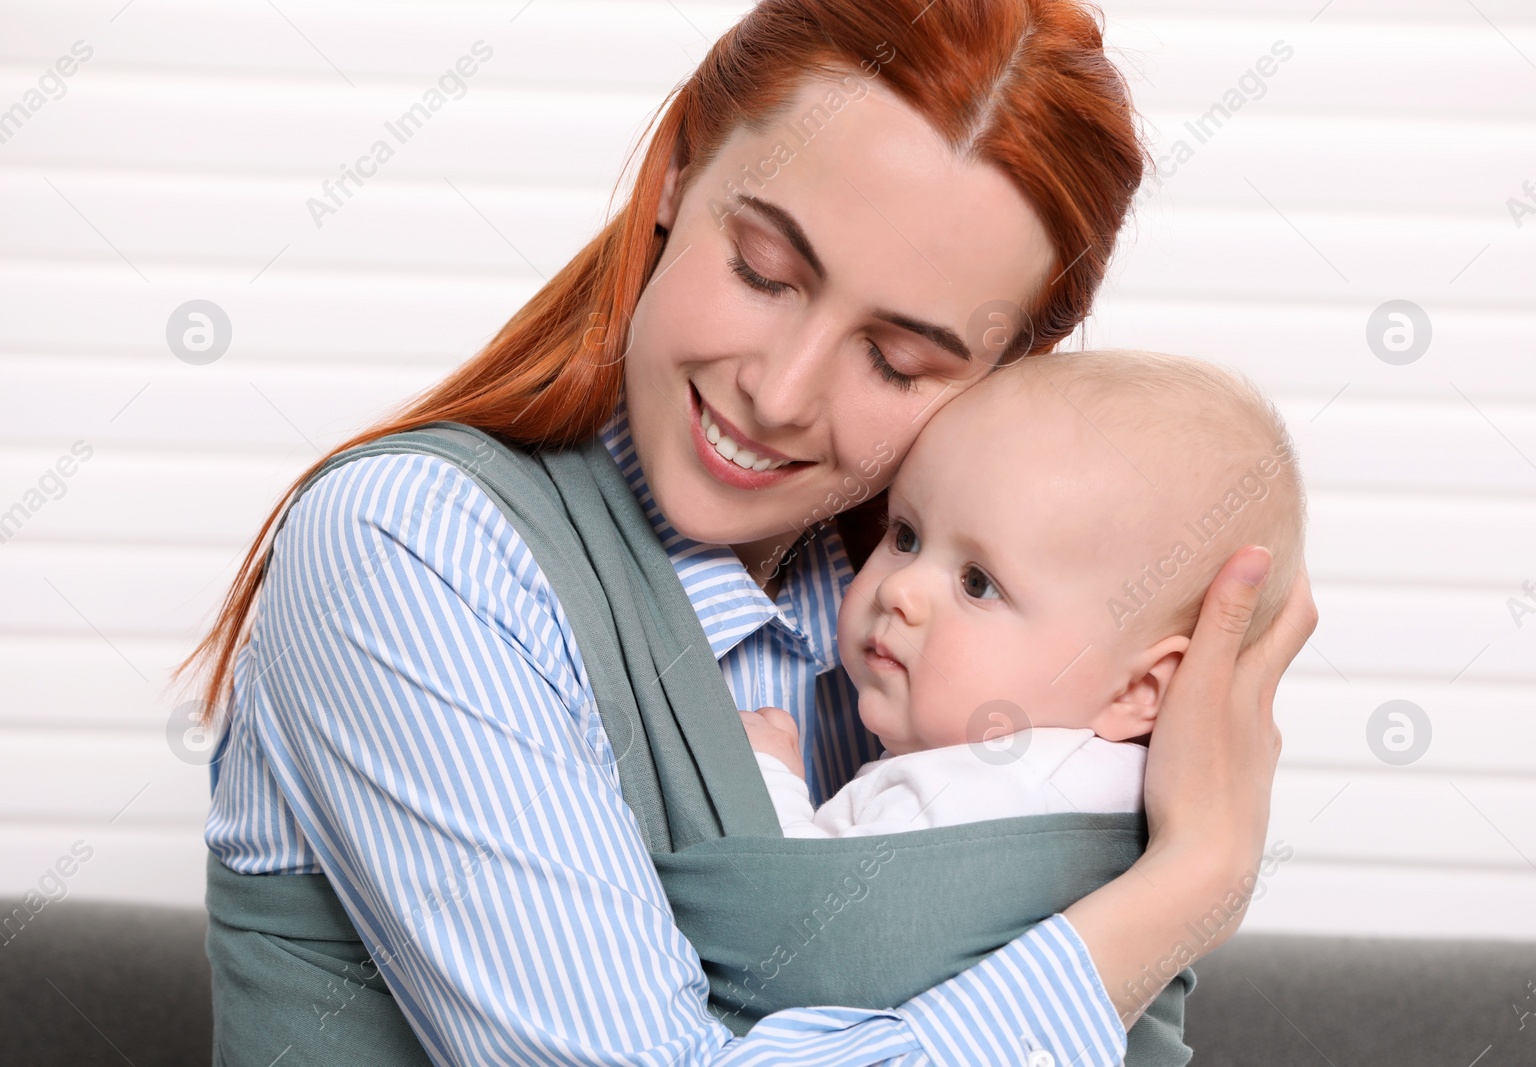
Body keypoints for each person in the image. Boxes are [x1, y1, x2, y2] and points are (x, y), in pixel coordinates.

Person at [185, 2, 1318, 1064]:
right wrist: (1187, 885)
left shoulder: (921, 625)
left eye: (896, 360)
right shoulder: (411, 550)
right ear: (678, 170)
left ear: (998, 375)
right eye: (763, 270)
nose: (779, 393)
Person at [743, 349, 1305, 841]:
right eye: (906, 536)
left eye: (978, 583)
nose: (898, 588)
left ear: (1138, 688)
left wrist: (764, 775)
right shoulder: (1120, 799)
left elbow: (803, 926)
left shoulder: (970, 794)